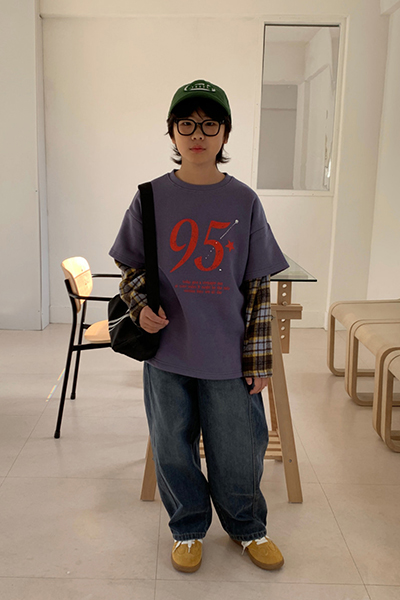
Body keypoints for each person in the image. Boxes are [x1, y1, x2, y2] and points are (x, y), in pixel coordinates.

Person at [109, 79, 289, 573]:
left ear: (225, 134)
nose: (197, 134)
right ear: (171, 132)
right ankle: (187, 528)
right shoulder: (149, 197)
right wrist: (140, 305)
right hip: (168, 353)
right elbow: (130, 268)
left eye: (210, 124)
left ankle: (247, 527)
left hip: (228, 355)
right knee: (172, 446)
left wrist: (260, 361)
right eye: (186, 124)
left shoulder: (244, 201)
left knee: (240, 449)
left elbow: (257, 287)